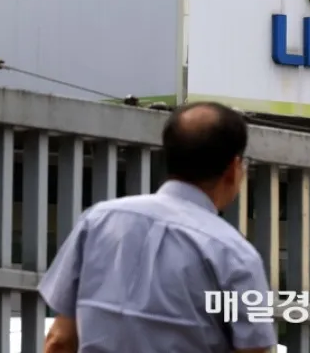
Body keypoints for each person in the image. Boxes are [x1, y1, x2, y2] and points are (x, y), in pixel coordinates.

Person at [39, 101, 277, 353]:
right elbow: (254, 349)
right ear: (233, 168)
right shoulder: (236, 255)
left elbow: (59, 340)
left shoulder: (97, 221)